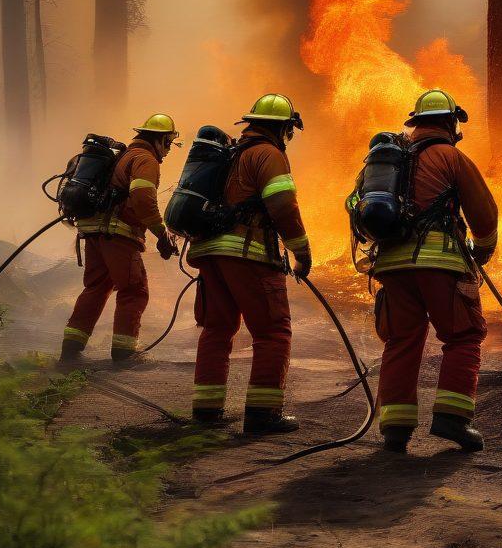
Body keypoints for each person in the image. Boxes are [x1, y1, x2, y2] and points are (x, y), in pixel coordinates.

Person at [371, 89, 498, 454]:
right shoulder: (451, 157)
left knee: (401, 340)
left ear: (416, 123)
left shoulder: (388, 161)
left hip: (392, 266)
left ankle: (395, 429)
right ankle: (452, 419)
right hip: (439, 264)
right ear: (450, 122)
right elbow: (484, 213)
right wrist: (484, 250)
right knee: (463, 336)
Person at [187, 94, 312, 432]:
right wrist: (301, 251)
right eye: (289, 130)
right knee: (272, 331)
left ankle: (206, 411)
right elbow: (283, 206)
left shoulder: (230, 153)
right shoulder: (268, 153)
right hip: (246, 253)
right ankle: (263, 414)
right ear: (282, 127)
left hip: (210, 251)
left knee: (217, 329)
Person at [59, 114, 179, 364]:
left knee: (96, 287)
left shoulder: (122, 156)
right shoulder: (145, 159)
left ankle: (71, 348)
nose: (167, 151)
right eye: (168, 144)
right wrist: (161, 233)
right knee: (134, 290)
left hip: (94, 231)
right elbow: (143, 199)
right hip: (119, 234)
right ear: (159, 140)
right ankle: (124, 352)